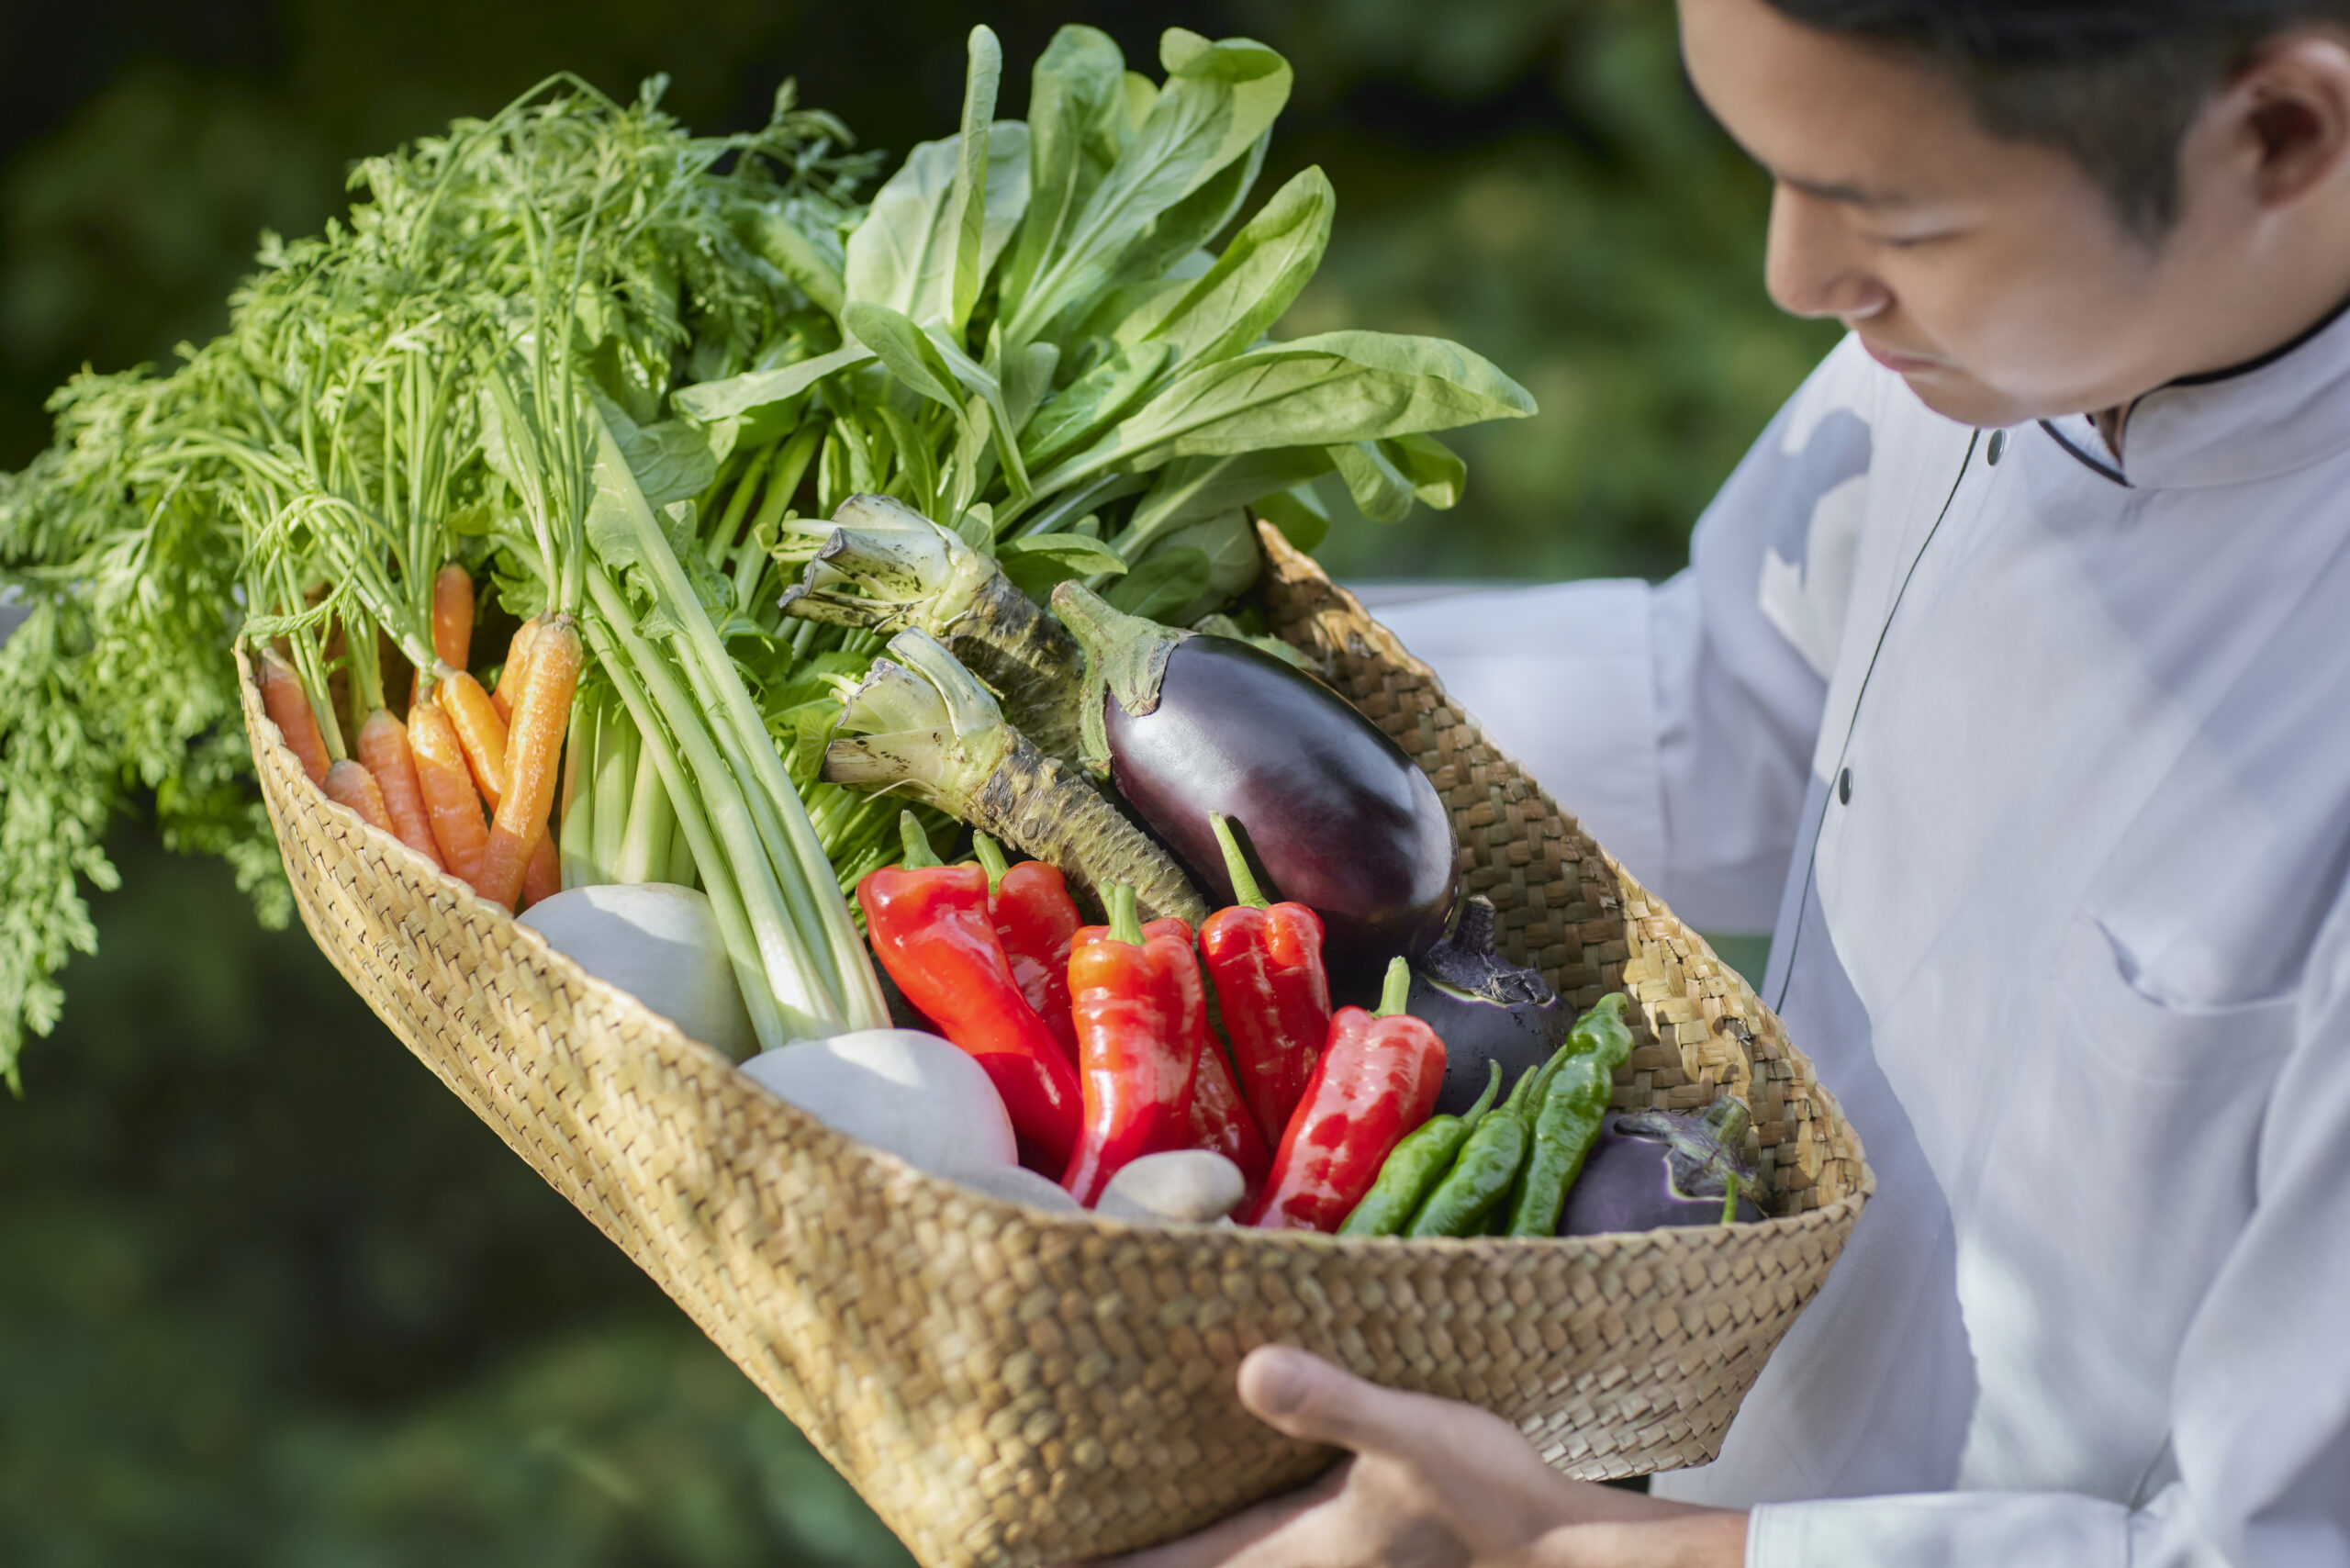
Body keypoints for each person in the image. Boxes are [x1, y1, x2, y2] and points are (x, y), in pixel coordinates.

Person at [1080, 1, 2350, 1563]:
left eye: (1893, 213)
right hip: (1702, 1440)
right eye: (1772, 167)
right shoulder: (2013, 337)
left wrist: (1569, 1551)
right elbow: (1735, 715)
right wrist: (1167, 680)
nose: (1797, 280)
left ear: (2283, 134)